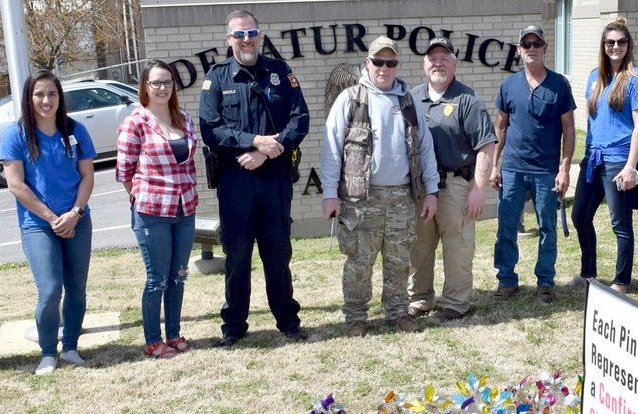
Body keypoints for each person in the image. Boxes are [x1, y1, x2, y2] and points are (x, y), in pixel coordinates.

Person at [200, 9, 309, 346]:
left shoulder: (280, 72)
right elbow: (210, 127)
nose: (246, 40)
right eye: (239, 34)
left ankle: (288, 321)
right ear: (228, 39)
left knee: (278, 252)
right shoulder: (217, 78)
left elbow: (300, 119)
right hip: (236, 181)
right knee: (237, 255)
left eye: (252, 33)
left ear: (260, 36)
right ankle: (234, 327)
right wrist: (250, 141)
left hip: (274, 177)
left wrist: (266, 149)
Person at [321, 36, 440, 337]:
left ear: (397, 65)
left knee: (399, 260)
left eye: (391, 62)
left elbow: (425, 148)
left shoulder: (408, 101)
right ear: (368, 63)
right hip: (361, 198)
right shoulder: (350, 99)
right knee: (359, 261)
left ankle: (398, 313)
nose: (384, 68)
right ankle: (356, 318)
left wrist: (432, 190)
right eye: (378, 61)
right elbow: (332, 148)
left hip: (402, 195)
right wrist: (330, 194)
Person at [0, 70, 95, 375]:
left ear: (59, 98)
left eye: (52, 94)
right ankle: (47, 353)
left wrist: (75, 213)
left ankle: (70, 348)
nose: (46, 100)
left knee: (76, 288)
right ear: (29, 98)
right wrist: (54, 218)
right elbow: (16, 185)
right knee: (51, 290)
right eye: (39, 94)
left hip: (77, 220)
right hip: (39, 225)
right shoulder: (16, 136)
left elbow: (88, 177)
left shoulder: (75, 130)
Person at [407, 36, 496, 321]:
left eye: (445, 58)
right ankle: (420, 298)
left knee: (457, 245)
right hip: (421, 187)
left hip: (456, 184)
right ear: (425, 64)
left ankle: (455, 303)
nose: (438, 63)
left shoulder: (467, 99)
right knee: (419, 245)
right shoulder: (412, 98)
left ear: (454, 63)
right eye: (433, 58)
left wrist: (478, 189)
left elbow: (486, 146)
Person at [117, 60, 198, 358]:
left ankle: (174, 333)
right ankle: (153, 340)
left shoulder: (184, 119)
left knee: (178, 275)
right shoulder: (135, 122)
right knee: (157, 279)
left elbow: (187, 163)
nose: (162, 88)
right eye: (156, 83)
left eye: (167, 82)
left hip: (185, 209)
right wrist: (142, 199)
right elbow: (124, 172)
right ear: (145, 87)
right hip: (152, 212)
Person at [489, 25, 576, 304]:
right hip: (513, 168)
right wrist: (495, 165)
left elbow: (569, 129)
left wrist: (564, 169)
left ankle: (546, 282)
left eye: (536, 43)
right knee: (506, 226)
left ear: (545, 47)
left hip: (545, 171)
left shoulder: (559, 84)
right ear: (519, 49)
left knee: (547, 228)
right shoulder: (509, 85)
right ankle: (507, 280)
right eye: (526, 44)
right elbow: (500, 127)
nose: (531, 49)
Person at [570, 18, 638, 294]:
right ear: (603, 46)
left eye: (621, 42)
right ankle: (588, 274)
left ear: (629, 45)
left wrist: (631, 167)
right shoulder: (596, 76)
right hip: (593, 158)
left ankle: (622, 281)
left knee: (620, 224)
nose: (615, 46)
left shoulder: (637, 78)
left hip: (619, 160)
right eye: (610, 42)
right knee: (580, 216)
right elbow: (593, 120)